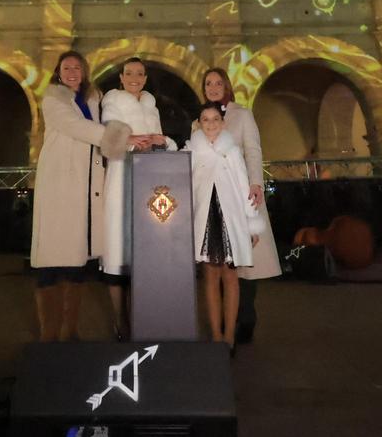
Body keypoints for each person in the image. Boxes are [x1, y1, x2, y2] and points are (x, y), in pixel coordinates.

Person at [30, 51, 131, 342]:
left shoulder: (92, 99)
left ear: (84, 72)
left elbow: (96, 131)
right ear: (58, 73)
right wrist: (122, 137)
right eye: (67, 68)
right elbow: (78, 128)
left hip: (86, 186)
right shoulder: (53, 99)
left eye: (77, 67)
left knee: (76, 260)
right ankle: (49, 334)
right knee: (51, 261)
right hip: (60, 184)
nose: (72, 71)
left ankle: (70, 330)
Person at [197, 67, 280, 343]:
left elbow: (253, 149)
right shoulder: (198, 123)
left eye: (218, 82)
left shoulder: (241, 114)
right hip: (211, 201)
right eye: (208, 83)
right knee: (215, 269)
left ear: (227, 86)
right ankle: (220, 326)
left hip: (240, 193)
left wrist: (256, 183)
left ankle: (243, 320)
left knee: (245, 266)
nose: (213, 86)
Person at [99, 57, 176, 339]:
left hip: (151, 180)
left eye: (140, 74)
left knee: (146, 253)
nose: (134, 77)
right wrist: (132, 139)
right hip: (122, 177)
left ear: (145, 78)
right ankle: (121, 323)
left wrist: (161, 141)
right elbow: (109, 133)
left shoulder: (151, 104)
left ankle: (146, 320)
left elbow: (162, 139)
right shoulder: (112, 99)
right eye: (129, 73)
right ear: (121, 77)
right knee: (118, 252)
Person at [189, 102, 264, 349]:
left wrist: (252, 223)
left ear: (223, 123)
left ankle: (229, 337)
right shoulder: (192, 151)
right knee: (210, 276)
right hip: (205, 219)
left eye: (215, 119)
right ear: (199, 124)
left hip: (229, 218)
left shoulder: (231, 151)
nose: (211, 124)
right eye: (205, 120)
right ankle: (216, 336)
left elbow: (244, 186)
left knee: (230, 276)